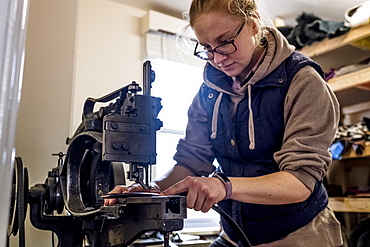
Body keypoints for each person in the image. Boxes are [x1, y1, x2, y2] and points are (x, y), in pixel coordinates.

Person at [105, 0, 343, 246]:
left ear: (252, 25)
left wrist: (223, 186)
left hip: (298, 234)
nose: (217, 58)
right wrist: (151, 190)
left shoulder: (303, 82)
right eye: (206, 47)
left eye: (225, 42)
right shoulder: (210, 90)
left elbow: (299, 182)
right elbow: (192, 162)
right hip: (234, 235)